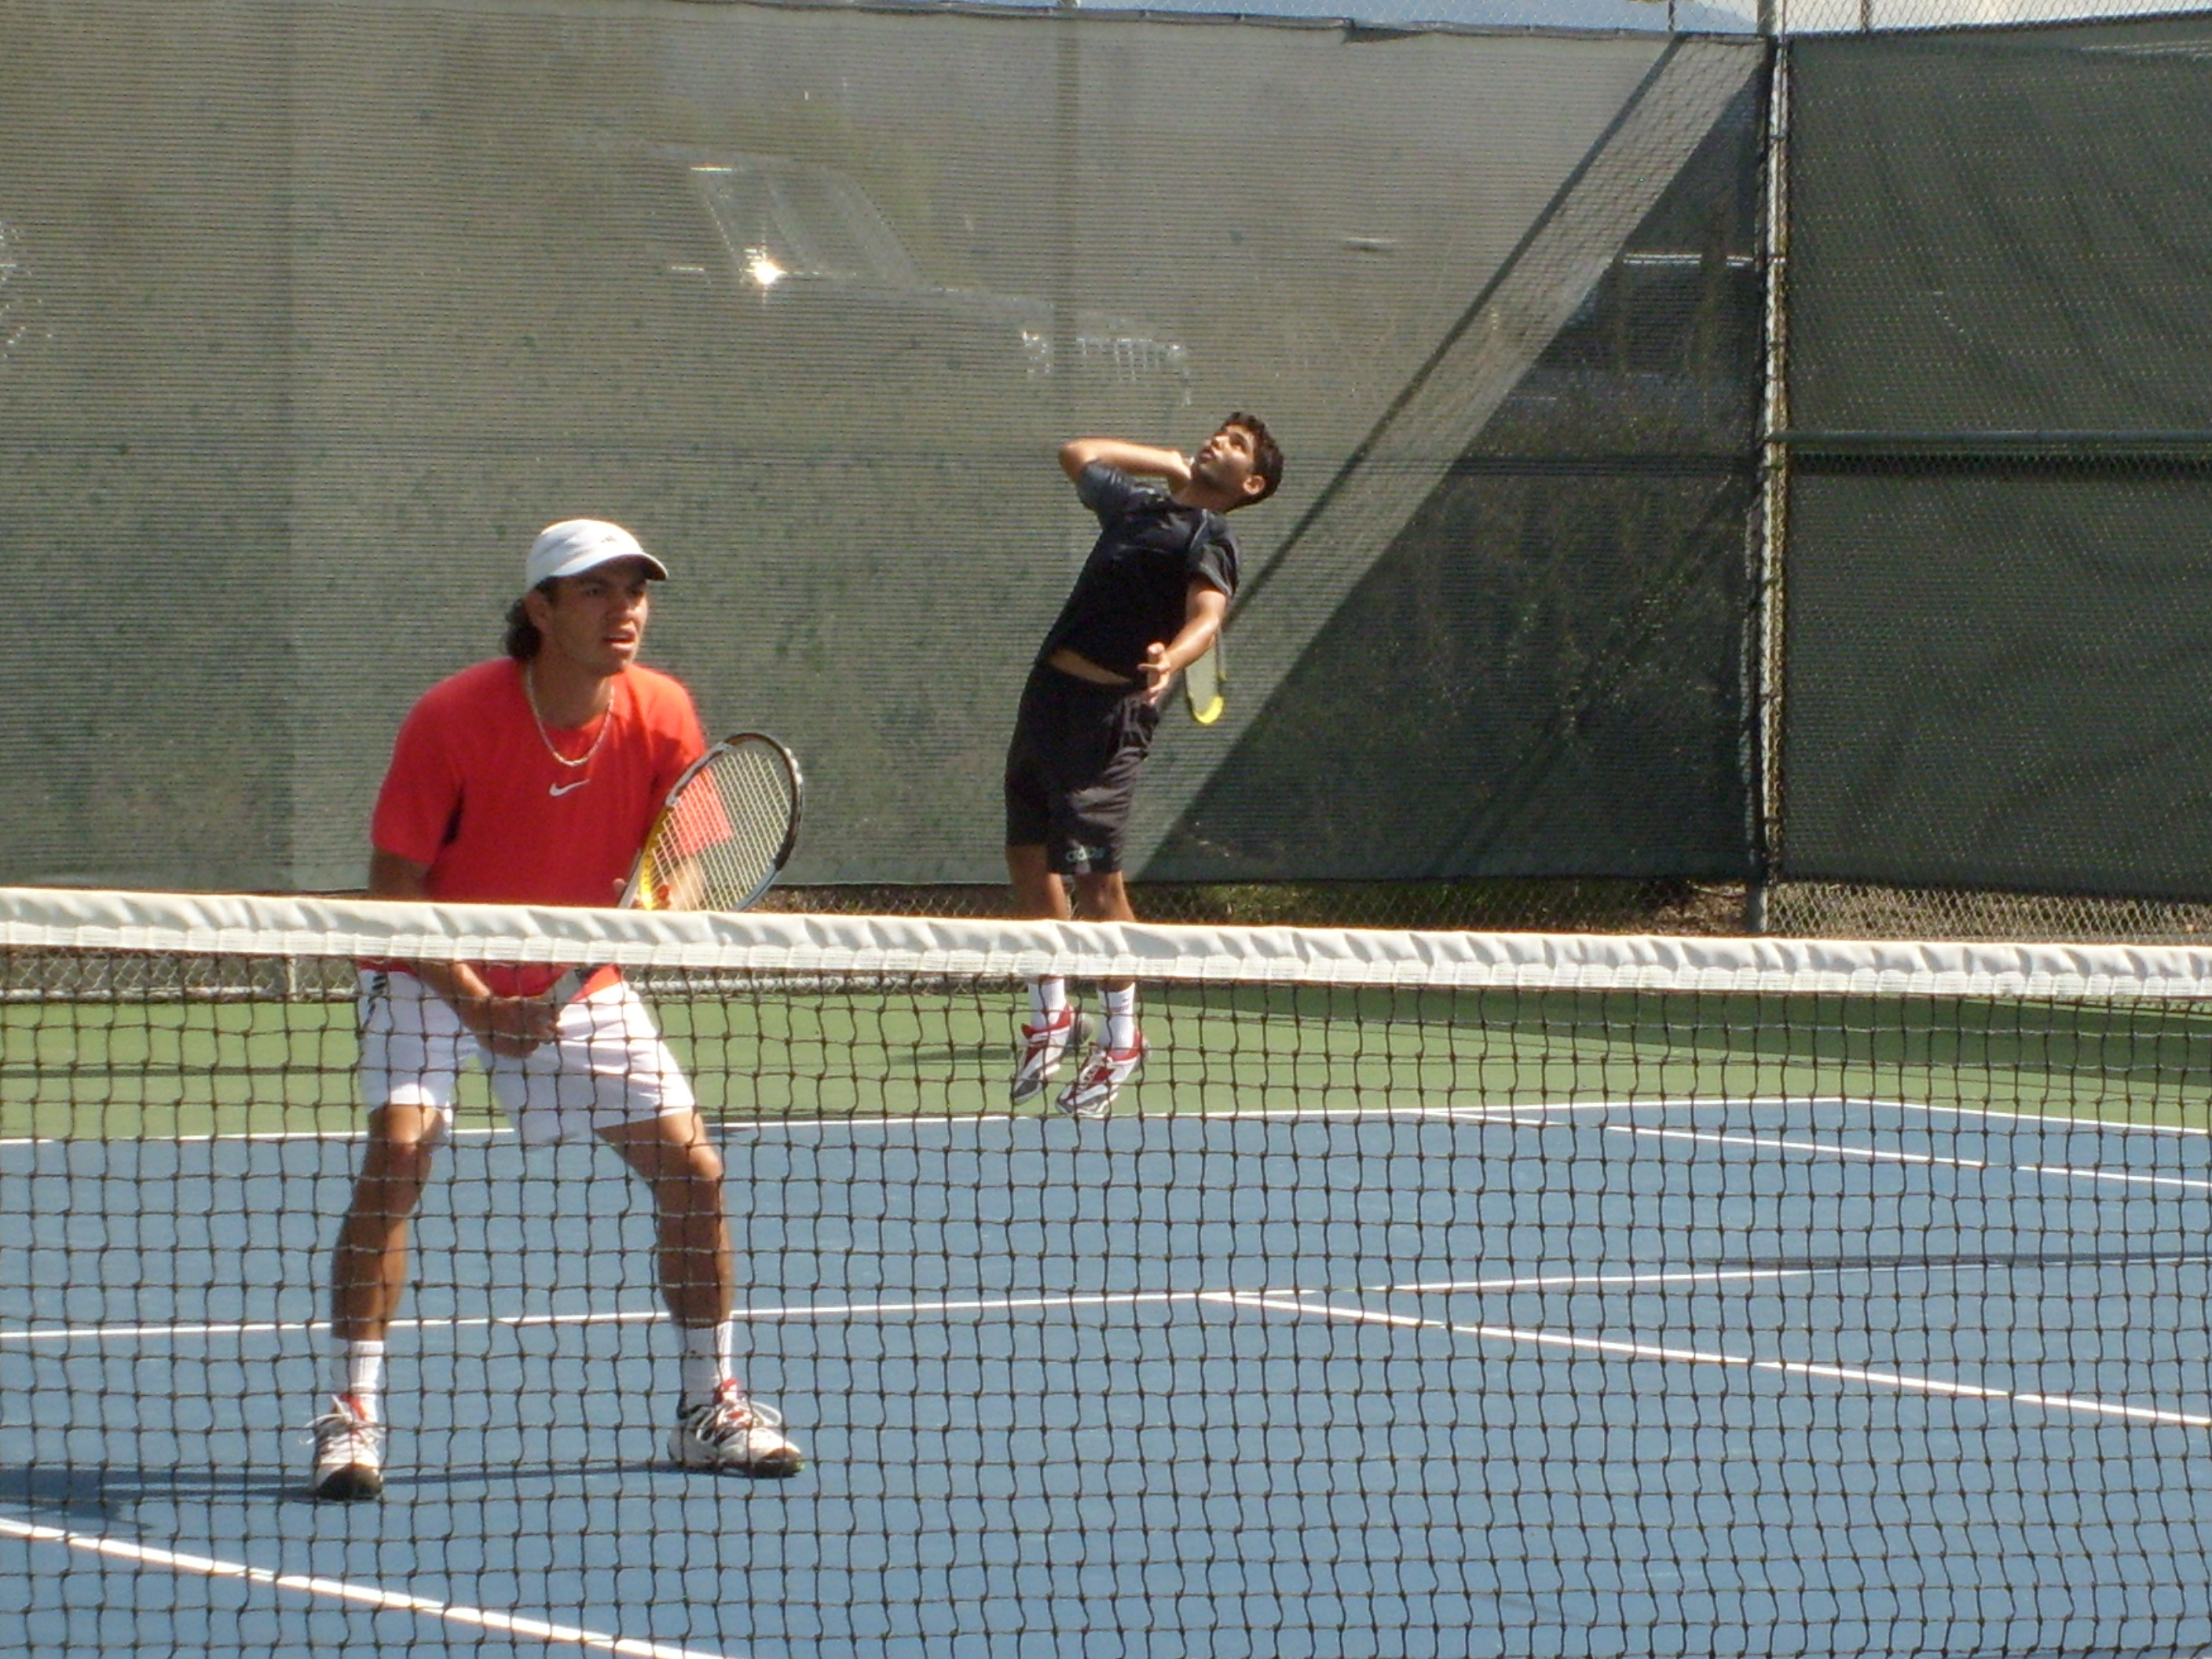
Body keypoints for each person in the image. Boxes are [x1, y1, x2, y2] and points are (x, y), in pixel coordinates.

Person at [309, 518, 802, 1501]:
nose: (625, 611)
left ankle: (710, 1407)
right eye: (596, 591)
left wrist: (663, 911)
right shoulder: (452, 716)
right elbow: (394, 893)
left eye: (635, 591)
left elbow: (684, 863)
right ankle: (350, 1415)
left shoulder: (662, 709)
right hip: (428, 967)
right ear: (539, 610)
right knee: (399, 1155)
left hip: (575, 979)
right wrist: (479, 1004)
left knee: (695, 1172)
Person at [1004, 414, 1284, 1118]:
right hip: (1048, 697)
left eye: (1237, 445)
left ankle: (1122, 1037)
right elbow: (1077, 450)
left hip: (1108, 717)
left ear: (1251, 484)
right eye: (1220, 432)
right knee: (1029, 859)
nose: (1218, 441)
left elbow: (1207, 617)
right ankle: (1052, 1013)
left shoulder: (1209, 536)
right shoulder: (1136, 506)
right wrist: (1164, 461)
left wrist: (1172, 658)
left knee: (1098, 883)